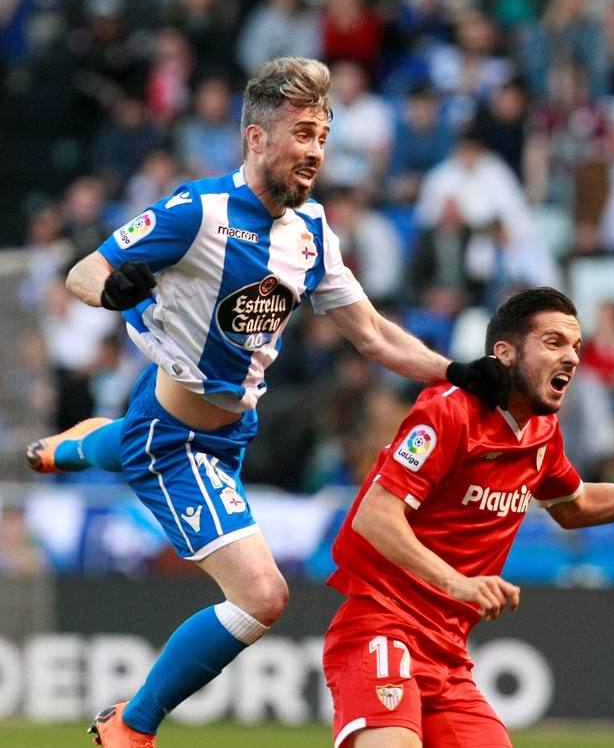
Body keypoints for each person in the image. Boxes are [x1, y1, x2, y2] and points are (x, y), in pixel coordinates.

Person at [24, 57, 508, 748]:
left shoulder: (312, 232)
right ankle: (131, 726)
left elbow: (371, 334)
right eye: (303, 133)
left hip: (227, 429)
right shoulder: (198, 211)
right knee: (262, 596)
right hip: (173, 443)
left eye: (323, 135)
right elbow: (84, 271)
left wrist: (458, 370)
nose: (315, 150)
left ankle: (73, 447)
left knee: (141, 436)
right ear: (256, 139)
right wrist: (114, 288)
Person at [322, 286, 614, 748]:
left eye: (576, 347)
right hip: (382, 628)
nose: (570, 357)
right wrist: (457, 582)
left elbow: (577, 506)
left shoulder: (543, 432)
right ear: (504, 353)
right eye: (553, 343)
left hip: (447, 654)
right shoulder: (449, 410)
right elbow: (375, 517)